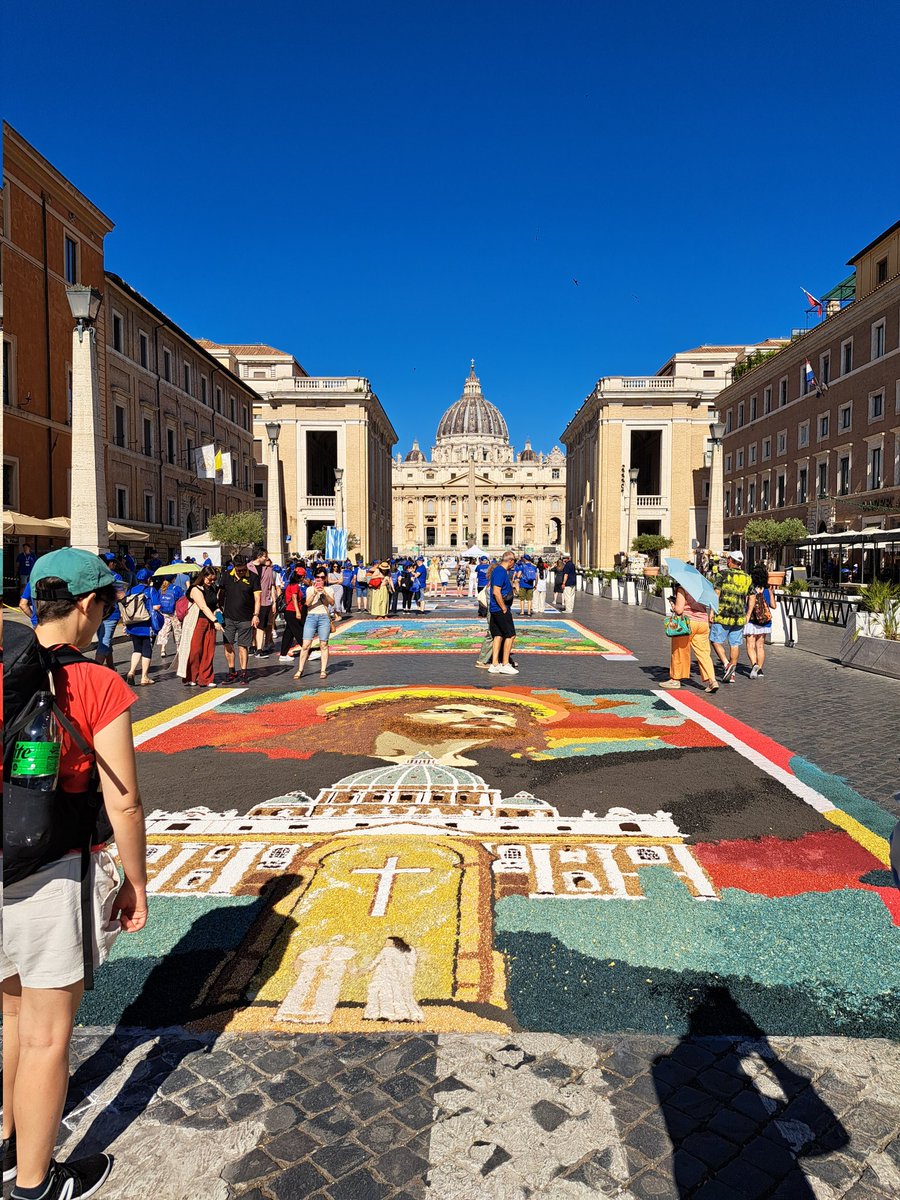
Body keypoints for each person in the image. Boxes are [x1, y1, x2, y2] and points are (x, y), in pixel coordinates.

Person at [2, 548, 148, 1200]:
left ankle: (9, 1143)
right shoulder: (97, 684)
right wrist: (137, 881)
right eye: (107, 605)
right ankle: (36, 1183)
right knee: (44, 1037)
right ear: (88, 606)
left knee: (11, 1020)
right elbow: (123, 799)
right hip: (54, 878)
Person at [659, 582, 718, 693]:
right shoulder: (702, 590)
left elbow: (679, 610)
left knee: (680, 651)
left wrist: (673, 605)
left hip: (687, 623)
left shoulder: (683, 588)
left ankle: (675, 679)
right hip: (703, 623)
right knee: (704, 653)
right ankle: (712, 680)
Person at [710, 550, 753, 684]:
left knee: (715, 641)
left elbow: (716, 594)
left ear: (730, 560)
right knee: (735, 644)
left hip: (723, 615)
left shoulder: (723, 575)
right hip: (739, 616)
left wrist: (711, 612)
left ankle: (726, 664)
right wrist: (748, 614)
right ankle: (732, 673)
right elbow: (752, 597)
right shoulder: (747, 577)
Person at [175, 565, 222, 686]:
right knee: (195, 650)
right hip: (197, 621)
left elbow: (213, 605)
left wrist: (218, 612)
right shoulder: (195, 589)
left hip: (210, 622)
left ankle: (205, 678)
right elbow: (203, 606)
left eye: (213, 579)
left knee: (209, 650)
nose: (212, 582)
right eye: (210, 579)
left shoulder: (212, 588)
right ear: (203, 576)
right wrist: (215, 620)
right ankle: (192, 676)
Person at [219, 554, 261, 685]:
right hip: (228, 618)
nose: (242, 572)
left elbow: (257, 598)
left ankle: (243, 673)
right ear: (234, 567)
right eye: (239, 570)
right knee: (228, 645)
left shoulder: (253, 577)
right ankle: (232, 671)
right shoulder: (226, 576)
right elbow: (220, 594)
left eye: (243, 569)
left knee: (243, 646)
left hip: (245, 618)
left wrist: (256, 614)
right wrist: (219, 610)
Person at [123, 568, 162, 686]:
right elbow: (156, 607)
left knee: (136, 649)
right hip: (147, 625)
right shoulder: (150, 590)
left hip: (133, 625)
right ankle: (144, 677)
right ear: (148, 579)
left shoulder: (130, 591)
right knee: (147, 650)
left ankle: (131, 671)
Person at [293, 572, 334, 681]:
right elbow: (307, 604)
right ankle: (300, 669)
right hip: (311, 617)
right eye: (317, 577)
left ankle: (323, 670)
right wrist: (315, 593)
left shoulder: (329, 589)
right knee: (306, 644)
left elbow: (332, 603)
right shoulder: (310, 589)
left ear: (325, 579)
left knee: (324, 644)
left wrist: (324, 593)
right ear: (314, 578)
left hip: (324, 617)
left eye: (322, 577)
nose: (319, 579)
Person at [744, 563, 777, 680]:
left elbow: (748, 603)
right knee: (760, 646)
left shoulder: (750, 588)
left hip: (752, 620)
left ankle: (754, 664)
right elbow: (774, 606)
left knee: (750, 644)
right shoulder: (768, 589)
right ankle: (760, 670)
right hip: (764, 621)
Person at [488, 551, 518, 674]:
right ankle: (505, 663)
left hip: (495, 608)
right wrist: (504, 608)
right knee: (510, 635)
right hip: (500, 608)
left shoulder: (498, 571)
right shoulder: (500, 571)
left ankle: (494, 664)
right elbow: (496, 591)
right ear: (510, 561)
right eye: (513, 562)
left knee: (498, 635)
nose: (513, 565)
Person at [94, 554, 125, 669]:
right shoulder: (116, 576)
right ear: (109, 563)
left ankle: (111, 668)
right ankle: (95, 673)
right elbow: (120, 595)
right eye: (113, 562)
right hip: (111, 613)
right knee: (105, 642)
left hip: (97, 613)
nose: (115, 564)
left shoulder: (94, 576)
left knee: (104, 640)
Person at [278, 565, 307, 662]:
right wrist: (298, 612)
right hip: (293, 611)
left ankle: (283, 654)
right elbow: (294, 598)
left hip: (289, 612)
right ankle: (307, 651)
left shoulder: (290, 584)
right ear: (302, 577)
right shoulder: (295, 586)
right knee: (299, 632)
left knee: (288, 634)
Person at [156, 578, 184, 660]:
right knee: (177, 629)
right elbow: (181, 600)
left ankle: (163, 649)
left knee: (164, 630)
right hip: (174, 612)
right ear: (173, 579)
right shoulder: (177, 588)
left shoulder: (161, 589)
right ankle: (178, 648)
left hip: (164, 612)